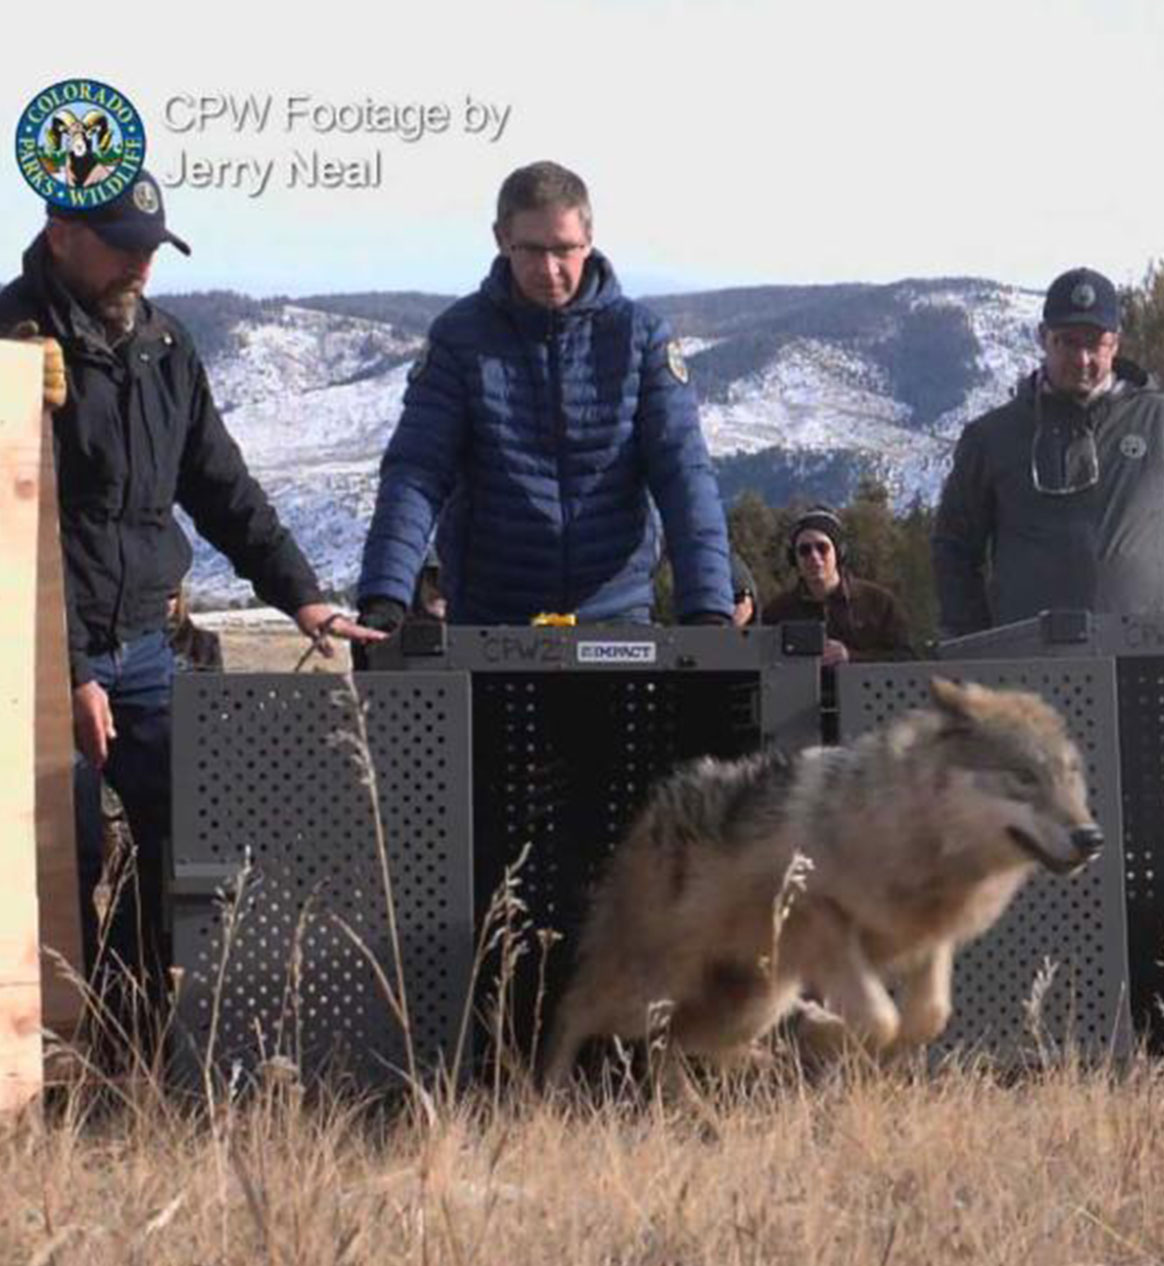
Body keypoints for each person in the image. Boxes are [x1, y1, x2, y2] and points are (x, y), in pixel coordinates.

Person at [0, 171, 379, 1006]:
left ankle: (135, 1031)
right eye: (122, 246)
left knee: (187, 836)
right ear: (61, 234)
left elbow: (220, 486)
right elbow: (24, 534)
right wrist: (68, 674)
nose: (141, 266)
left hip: (147, 644)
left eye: (152, 249)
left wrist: (303, 596)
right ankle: (59, 1051)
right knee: (57, 857)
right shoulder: (9, 340)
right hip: (32, 652)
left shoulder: (166, 347)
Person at [355, 161, 732, 632]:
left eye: (564, 249)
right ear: (501, 239)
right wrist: (384, 596)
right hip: (490, 618)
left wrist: (708, 606)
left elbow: (683, 473)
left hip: (616, 617)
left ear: (589, 239)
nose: (549, 269)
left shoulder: (642, 337)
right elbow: (417, 470)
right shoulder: (459, 338)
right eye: (531, 250)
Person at [932, 267, 1164, 637]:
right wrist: (973, 644)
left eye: (1095, 344)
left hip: (1149, 654)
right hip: (1029, 662)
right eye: (1068, 342)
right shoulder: (991, 436)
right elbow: (955, 549)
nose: (1082, 358)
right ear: (1043, 338)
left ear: (1115, 344)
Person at [760, 508, 914, 662]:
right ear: (794, 559)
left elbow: (906, 658)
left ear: (839, 552)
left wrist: (850, 656)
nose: (814, 556)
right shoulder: (777, 612)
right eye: (804, 550)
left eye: (822, 548)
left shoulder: (879, 603)